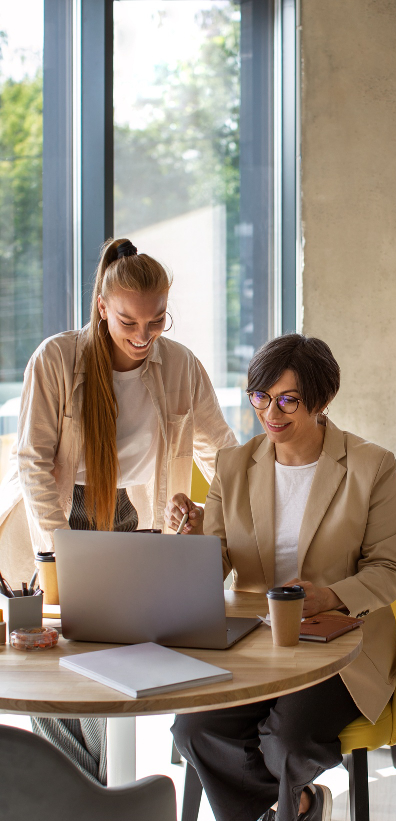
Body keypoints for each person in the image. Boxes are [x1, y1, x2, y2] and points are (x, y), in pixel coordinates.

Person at [170, 333, 396, 821]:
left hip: (339, 645)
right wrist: (188, 543)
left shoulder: (370, 466)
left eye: (287, 401)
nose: (269, 414)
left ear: (320, 401)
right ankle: (298, 806)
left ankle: (281, 807)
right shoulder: (233, 465)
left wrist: (326, 595)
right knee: (193, 728)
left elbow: (391, 571)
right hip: (254, 642)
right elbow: (219, 561)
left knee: (289, 739)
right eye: (259, 397)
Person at [0, 237, 236, 783]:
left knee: (112, 665)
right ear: (103, 306)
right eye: (129, 322)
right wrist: (56, 549)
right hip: (61, 518)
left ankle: (89, 800)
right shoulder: (56, 359)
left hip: (136, 518)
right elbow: (32, 460)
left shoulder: (179, 365)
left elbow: (222, 452)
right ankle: (90, 795)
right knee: (56, 670)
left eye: (156, 322)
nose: (142, 337)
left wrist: (207, 513)